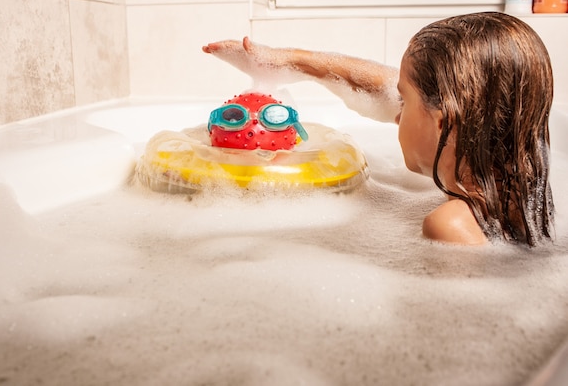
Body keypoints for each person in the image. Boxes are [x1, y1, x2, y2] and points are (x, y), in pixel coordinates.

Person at [203, 12, 554, 247]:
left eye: (403, 100)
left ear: (444, 120)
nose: (396, 112)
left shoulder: (452, 229)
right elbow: (384, 86)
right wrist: (286, 61)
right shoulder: (519, 188)